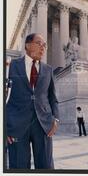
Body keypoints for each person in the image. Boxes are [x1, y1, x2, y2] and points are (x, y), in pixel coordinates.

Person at [6, 33, 59, 169]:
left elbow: (52, 97)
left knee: (46, 166)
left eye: (45, 45)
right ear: (28, 45)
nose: (43, 48)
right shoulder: (11, 66)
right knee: (19, 166)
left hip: (43, 126)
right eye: (39, 43)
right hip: (16, 128)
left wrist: (56, 120)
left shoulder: (48, 70)